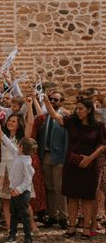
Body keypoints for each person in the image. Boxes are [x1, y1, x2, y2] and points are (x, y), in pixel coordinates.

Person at [44, 95, 106, 239]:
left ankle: (85, 228)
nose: (77, 111)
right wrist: (46, 100)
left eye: (81, 109)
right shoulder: (71, 122)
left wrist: (90, 158)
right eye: (76, 108)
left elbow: (102, 145)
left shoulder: (98, 125)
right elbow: (54, 115)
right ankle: (71, 228)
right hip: (72, 164)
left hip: (90, 165)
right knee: (72, 197)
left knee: (87, 198)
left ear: (89, 110)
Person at [33, 90, 69, 229]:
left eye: (55, 100)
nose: (53, 102)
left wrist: (65, 157)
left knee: (59, 187)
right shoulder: (45, 117)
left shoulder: (65, 116)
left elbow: (66, 139)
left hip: (59, 156)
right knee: (49, 187)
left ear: (61, 102)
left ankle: (63, 217)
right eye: (51, 99)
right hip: (45, 155)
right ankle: (52, 215)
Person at [3, 138, 38, 243]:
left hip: (22, 193)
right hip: (14, 191)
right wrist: (2, 135)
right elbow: (9, 145)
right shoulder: (17, 155)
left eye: (18, 144)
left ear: (21, 147)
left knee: (25, 215)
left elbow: (28, 180)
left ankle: (28, 237)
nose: (16, 146)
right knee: (14, 214)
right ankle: (12, 235)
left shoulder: (26, 162)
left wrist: (19, 189)